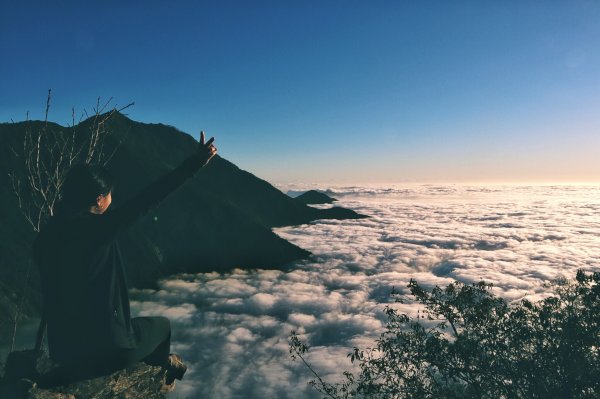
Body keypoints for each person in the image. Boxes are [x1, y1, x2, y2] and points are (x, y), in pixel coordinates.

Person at [32, 132, 217, 392]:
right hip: (107, 353)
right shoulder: (96, 231)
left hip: (65, 352)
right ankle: (162, 376)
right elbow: (149, 199)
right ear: (98, 199)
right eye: (108, 195)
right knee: (162, 327)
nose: (111, 200)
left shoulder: (46, 237)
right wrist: (196, 163)